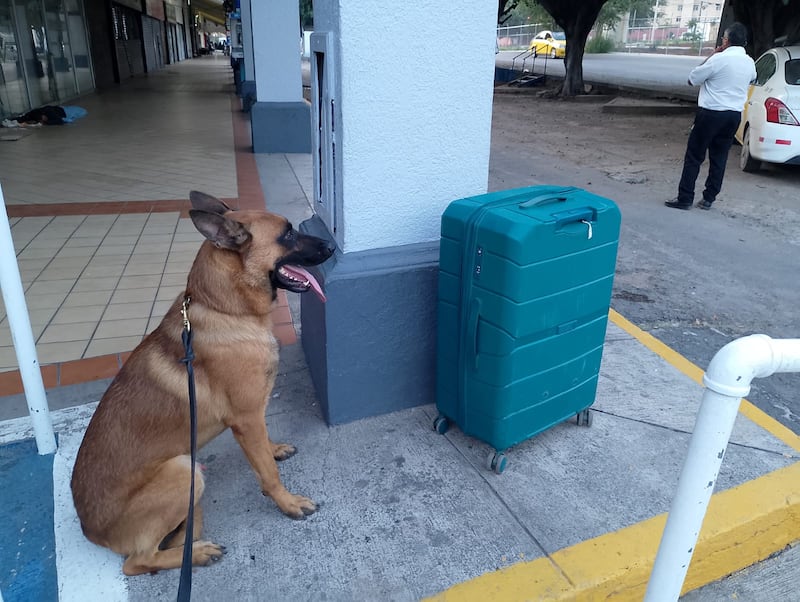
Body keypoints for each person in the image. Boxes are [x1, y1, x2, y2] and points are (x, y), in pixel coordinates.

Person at [664, 22, 756, 211]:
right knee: (719, 157)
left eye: (723, 38)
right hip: (733, 116)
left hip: (711, 113)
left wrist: (713, 54)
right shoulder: (749, 62)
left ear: (726, 40)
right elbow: (752, 78)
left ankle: (685, 197)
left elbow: (692, 79)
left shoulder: (718, 59)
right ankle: (709, 198)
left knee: (694, 156)